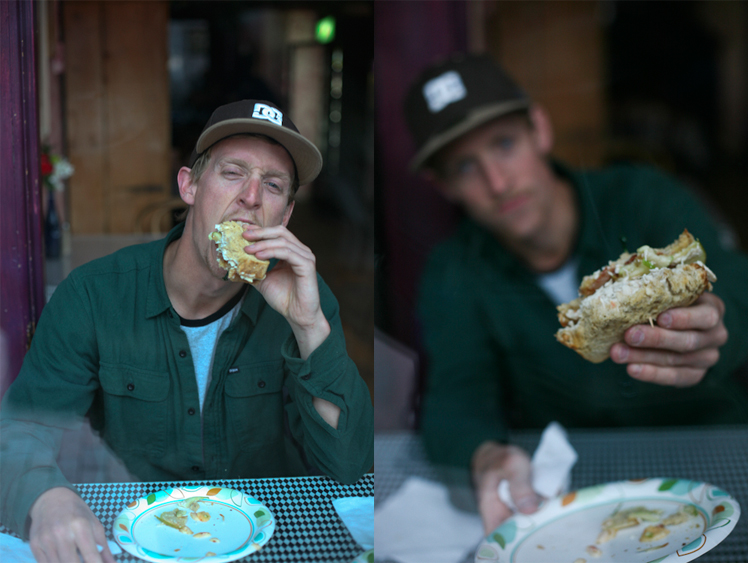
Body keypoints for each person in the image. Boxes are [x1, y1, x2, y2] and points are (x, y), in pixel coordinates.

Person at [0, 99, 374, 562]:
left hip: (268, 543)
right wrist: (46, 497)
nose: (252, 197)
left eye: (272, 185)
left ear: (286, 215)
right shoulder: (92, 296)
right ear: (190, 185)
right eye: (233, 173)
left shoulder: (303, 298)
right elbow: (21, 429)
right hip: (132, 537)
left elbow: (348, 468)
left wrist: (309, 326)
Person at [403, 54, 748, 535]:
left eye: (504, 144)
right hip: (580, 492)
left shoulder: (641, 195)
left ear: (539, 130)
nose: (497, 183)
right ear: (442, 185)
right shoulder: (454, 271)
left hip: (715, 454)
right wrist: (485, 456)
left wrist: (720, 325)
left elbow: (736, 281)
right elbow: (456, 397)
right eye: (465, 166)